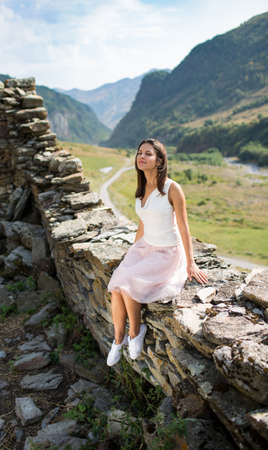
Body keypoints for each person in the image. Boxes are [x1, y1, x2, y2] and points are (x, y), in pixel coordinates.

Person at [106, 138, 208, 366]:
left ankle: (135, 332)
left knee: (128, 283)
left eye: (148, 154)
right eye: (139, 152)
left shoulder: (172, 188)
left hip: (167, 252)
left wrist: (191, 262)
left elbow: (183, 226)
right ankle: (117, 339)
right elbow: (143, 223)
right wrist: (133, 252)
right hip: (145, 247)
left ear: (160, 160)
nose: (141, 156)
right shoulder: (142, 188)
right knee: (116, 287)